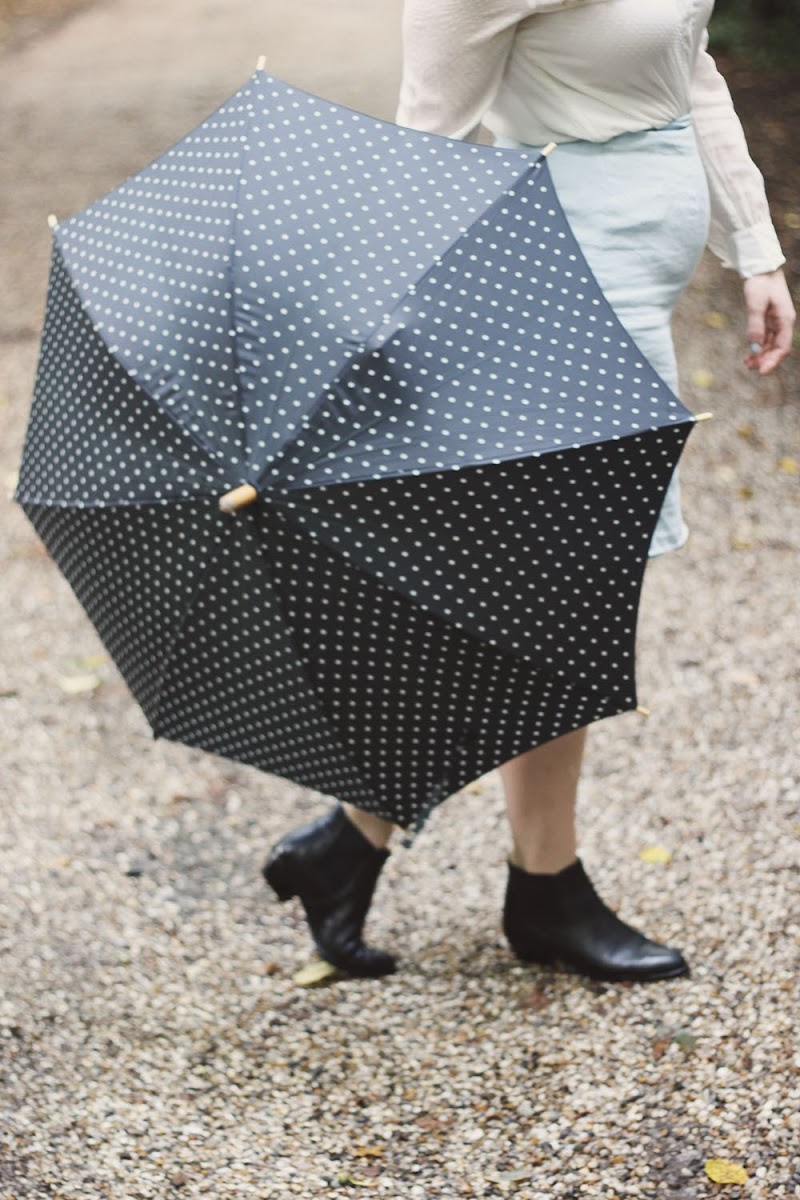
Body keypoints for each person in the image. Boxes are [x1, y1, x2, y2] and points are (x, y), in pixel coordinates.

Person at [263, 0, 795, 981]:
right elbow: (428, 135)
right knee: (558, 590)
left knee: (548, 594)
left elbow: (687, 69)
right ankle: (528, 885)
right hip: (550, 281)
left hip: (634, 275)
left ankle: (353, 844)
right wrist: (369, 339)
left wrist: (752, 243)